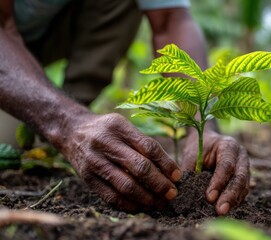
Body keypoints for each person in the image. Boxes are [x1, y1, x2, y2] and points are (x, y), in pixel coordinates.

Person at [0, 0, 249, 215]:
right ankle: (63, 123)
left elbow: (170, 18)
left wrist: (202, 125)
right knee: (8, 148)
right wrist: (65, 123)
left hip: (45, 34)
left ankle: (71, 108)